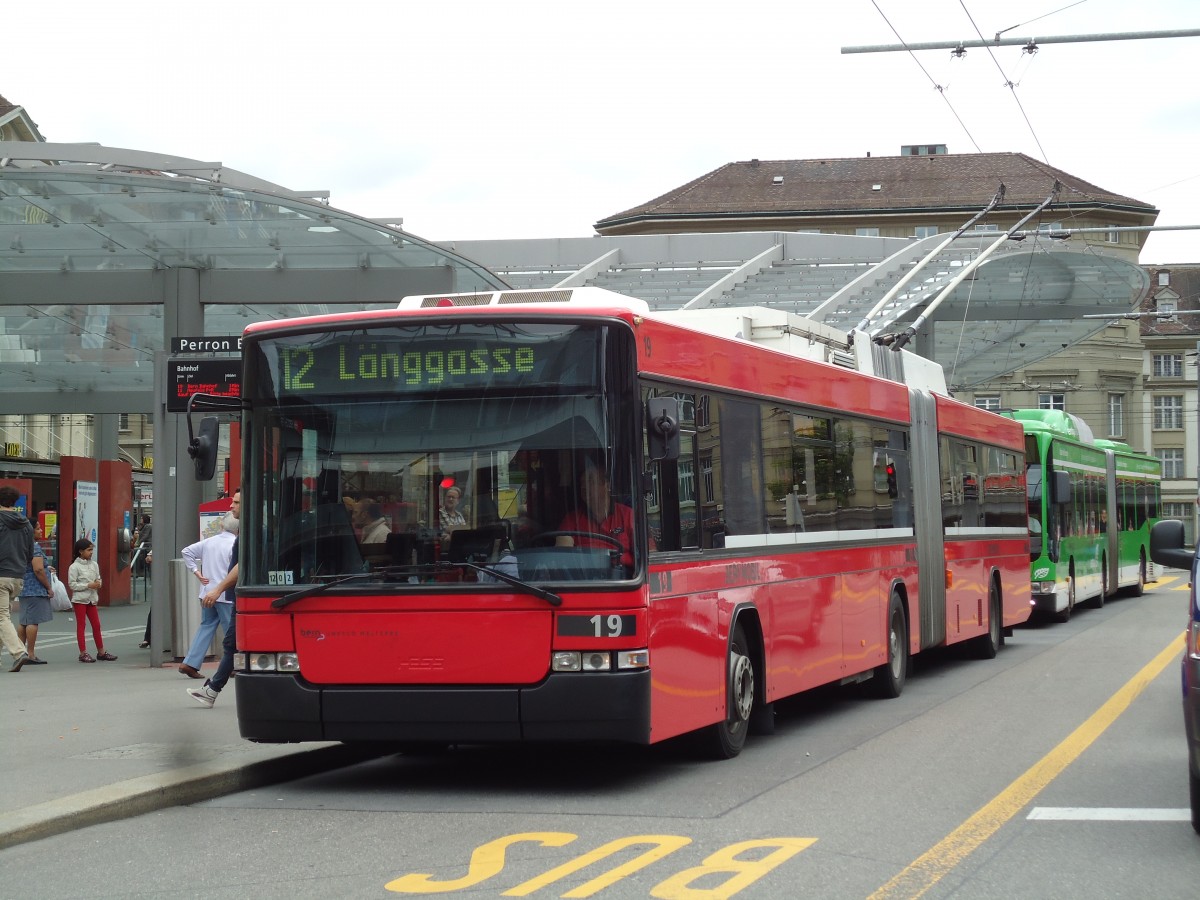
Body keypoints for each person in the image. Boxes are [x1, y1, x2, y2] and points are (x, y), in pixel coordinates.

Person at [189, 489, 240, 708]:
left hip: (236, 596)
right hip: (235, 597)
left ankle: (211, 689)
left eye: (236, 502)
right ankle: (211, 690)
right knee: (231, 643)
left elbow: (241, 566)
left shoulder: (246, 535)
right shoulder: (241, 536)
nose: (231, 506)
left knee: (231, 642)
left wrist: (217, 589)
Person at [177, 512, 239, 679]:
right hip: (225, 593)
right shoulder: (235, 544)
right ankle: (233, 664)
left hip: (207, 591)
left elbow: (187, 551)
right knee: (231, 631)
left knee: (206, 626)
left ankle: (190, 662)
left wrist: (196, 571)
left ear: (221, 525)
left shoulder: (209, 542)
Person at [556, 462, 645, 567]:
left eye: (591, 481)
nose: (584, 487)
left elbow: (648, 554)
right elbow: (562, 557)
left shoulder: (628, 515)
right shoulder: (571, 520)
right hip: (584, 579)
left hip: (622, 579)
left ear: (607, 486)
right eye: (582, 483)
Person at [0, 485, 36, 672]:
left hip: (1, 574)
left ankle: (18, 652)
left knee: (1, 617)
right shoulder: (26, 523)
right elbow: (30, 553)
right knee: (3, 615)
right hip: (18, 576)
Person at [67, 538, 116, 663]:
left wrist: (98, 583)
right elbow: (72, 585)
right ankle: (83, 653)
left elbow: (98, 578)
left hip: (92, 599)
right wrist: (88, 585)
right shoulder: (74, 567)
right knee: (81, 626)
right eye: (89, 550)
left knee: (96, 625)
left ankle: (101, 652)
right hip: (80, 600)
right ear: (80, 551)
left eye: (92, 550)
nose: (91, 552)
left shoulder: (94, 564)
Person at [17, 542, 53, 664]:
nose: (41, 530)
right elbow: (38, 569)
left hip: (24, 587)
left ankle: (20, 653)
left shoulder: (21, 544)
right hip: (34, 588)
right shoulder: (34, 547)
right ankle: (30, 654)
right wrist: (48, 587)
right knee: (32, 621)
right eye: (38, 528)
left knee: (24, 621)